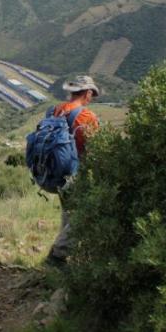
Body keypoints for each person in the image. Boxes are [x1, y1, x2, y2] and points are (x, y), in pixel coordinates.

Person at [47, 75, 100, 264]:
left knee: (68, 211)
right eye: (91, 94)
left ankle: (64, 252)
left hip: (55, 171)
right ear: (86, 93)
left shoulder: (55, 110)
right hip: (75, 172)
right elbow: (96, 147)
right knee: (81, 213)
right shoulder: (87, 117)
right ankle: (57, 255)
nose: (91, 98)